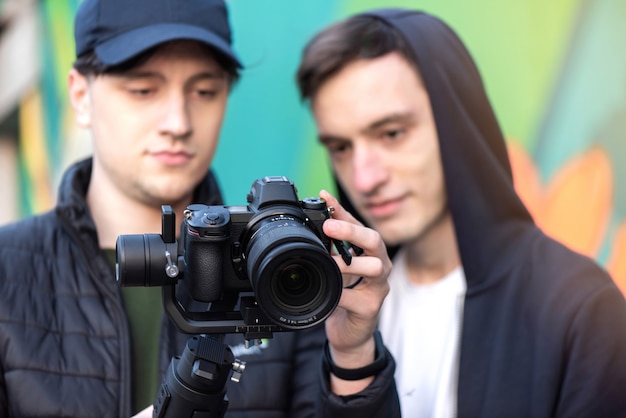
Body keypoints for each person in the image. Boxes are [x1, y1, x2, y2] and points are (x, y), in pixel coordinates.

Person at [0, 0, 400, 416]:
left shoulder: (290, 267)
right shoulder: (7, 272)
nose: (178, 121)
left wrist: (354, 353)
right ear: (81, 96)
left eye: (204, 91)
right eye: (143, 89)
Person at [296, 8, 626, 418]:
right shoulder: (326, 301)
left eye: (392, 133)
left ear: (457, 119)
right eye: (341, 148)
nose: (364, 178)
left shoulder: (581, 309)